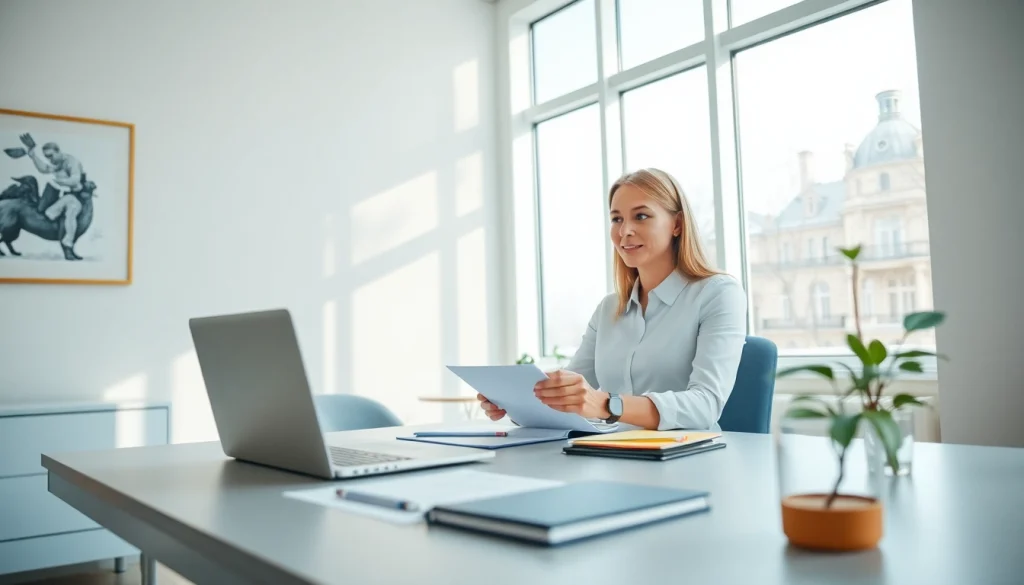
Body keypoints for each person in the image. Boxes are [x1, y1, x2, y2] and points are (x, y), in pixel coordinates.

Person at [478, 168, 747, 430]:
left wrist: (607, 404)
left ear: (676, 224)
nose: (624, 231)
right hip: (611, 450)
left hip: (687, 452)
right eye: (617, 219)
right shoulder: (608, 309)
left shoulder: (718, 294)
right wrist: (516, 402)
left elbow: (706, 404)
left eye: (641, 216)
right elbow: (569, 396)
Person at [21, 134, 85, 258]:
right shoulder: (56, 163)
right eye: (47, 157)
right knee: (67, 203)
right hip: (60, 195)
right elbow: (44, 168)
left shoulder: (71, 162)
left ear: (58, 151)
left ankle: (67, 242)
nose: (49, 159)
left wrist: (59, 182)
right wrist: (33, 156)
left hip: (72, 196)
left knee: (73, 205)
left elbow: (75, 180)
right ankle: (52, 213)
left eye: (51, 156)